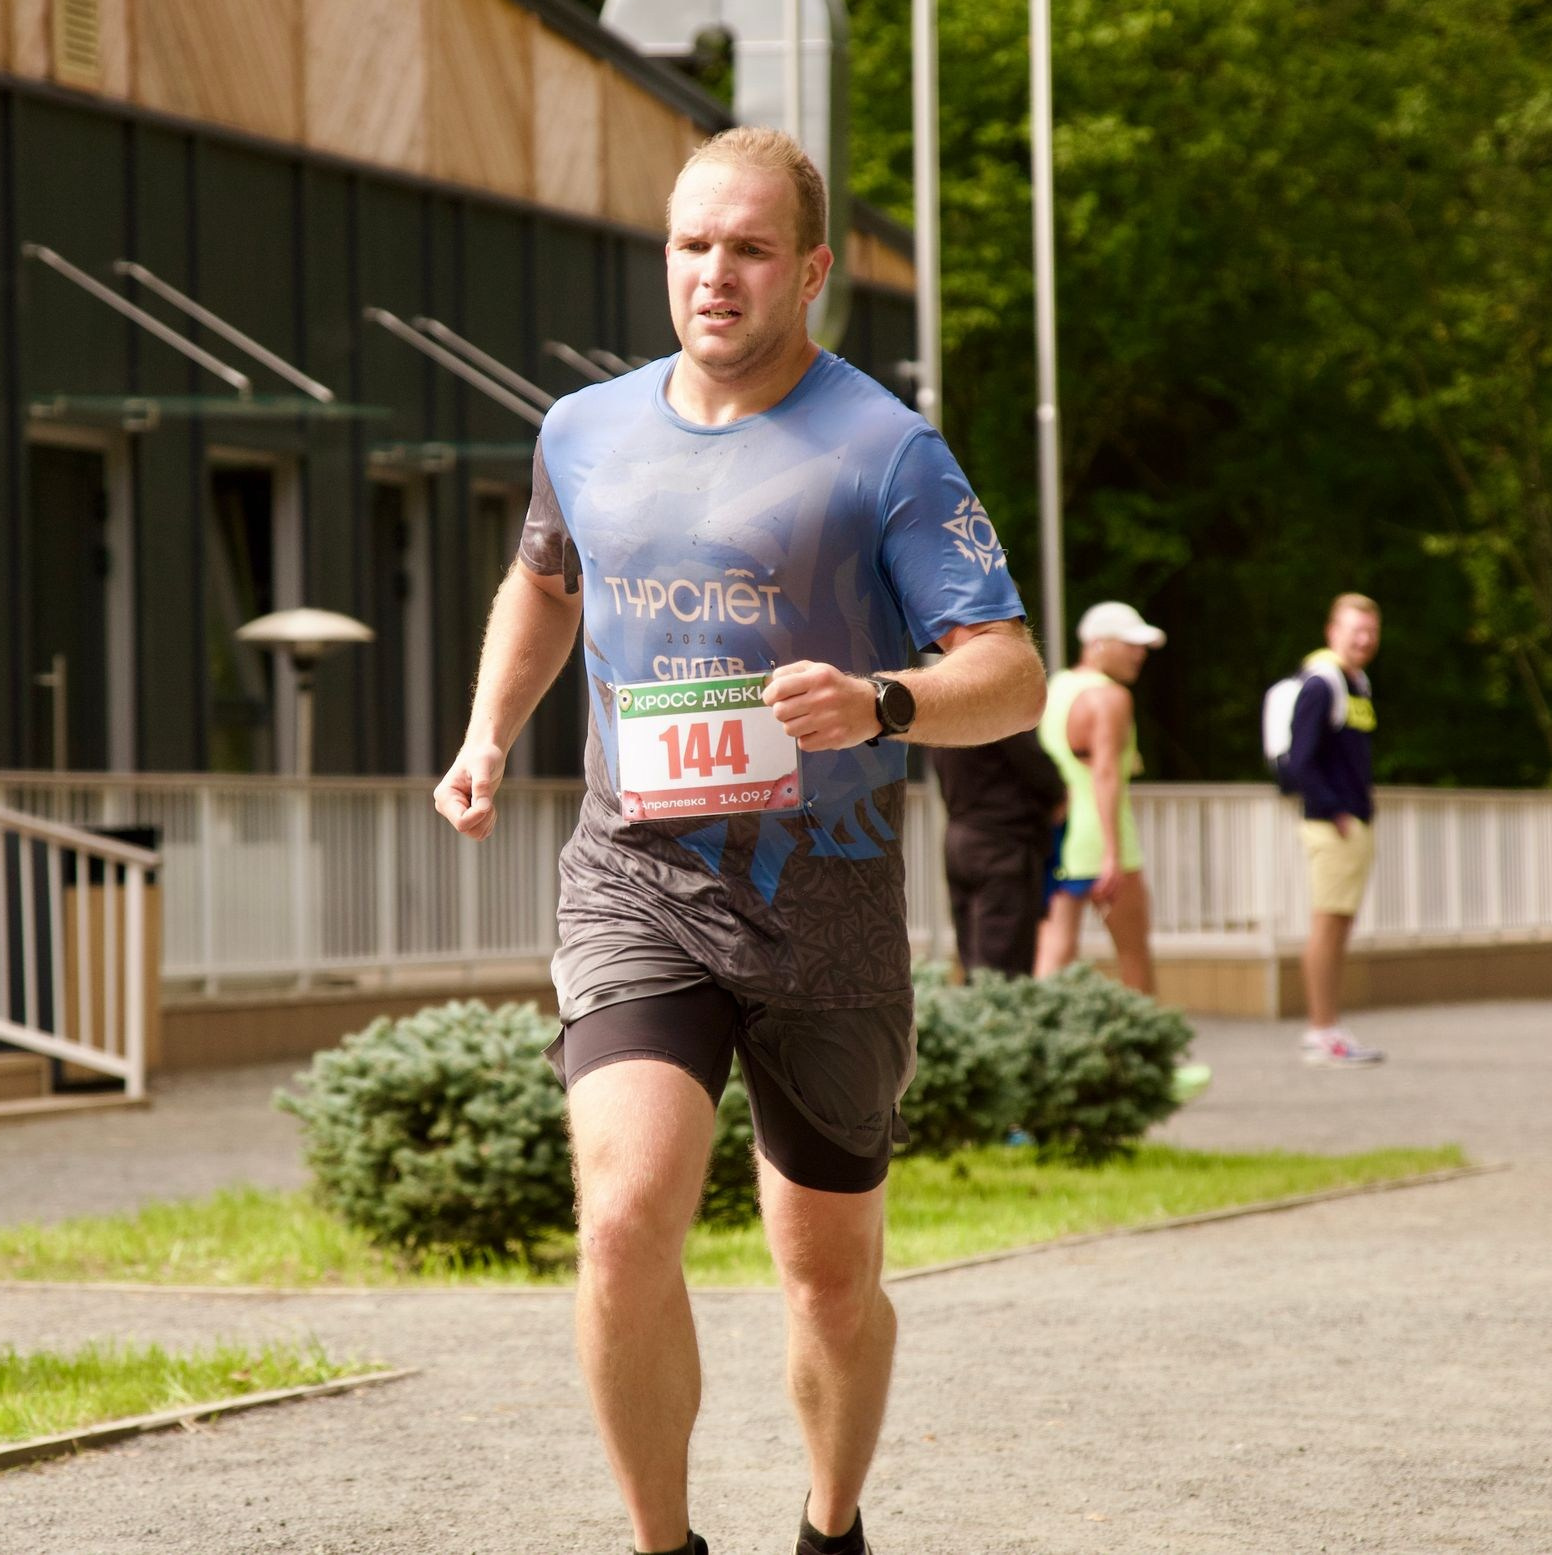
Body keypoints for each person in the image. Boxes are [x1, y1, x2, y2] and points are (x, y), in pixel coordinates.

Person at [433, 127, 1042, 1555]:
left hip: (822, 901)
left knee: (827, 1274)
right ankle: (665, 1545)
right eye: (693, 244)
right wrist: (486, 730)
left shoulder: (884, 448)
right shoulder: (582, 427)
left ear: (811, 270)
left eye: (751, 248)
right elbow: (545, 580)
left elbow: (1006, 668)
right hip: (636, 878)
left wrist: (880, 698)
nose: (716, 273)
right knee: (625, 1215)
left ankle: (833, 1524)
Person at [1032, 602, 1164, 995]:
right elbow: (1104, 773)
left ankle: (1033, 1050)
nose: (1140, 654)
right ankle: (1148, 1052)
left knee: (1054, 955)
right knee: (1134, 957)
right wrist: (1112, 853)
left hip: (1060, 840)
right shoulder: (1110, 697)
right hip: (1106, 841)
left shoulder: (1053, 689)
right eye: (1131, 644)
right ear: (1098, 644)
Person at [1286, 593, 1385, 1066]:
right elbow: (1299, 760)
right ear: (1332, 632)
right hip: (1332, 827)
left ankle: (1329, 1026)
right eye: (1354, 630)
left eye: (1370, 631)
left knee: (1338, 928)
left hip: (1350, 823)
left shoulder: (1356, 683)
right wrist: (1336, 811)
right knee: (1326, 929)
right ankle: (1320, 1031)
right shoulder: (1322, 684)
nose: (1363, 640)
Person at [932, 729, 1066, 978]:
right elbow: (1035, 764)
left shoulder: (944, 702)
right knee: (1002, 975)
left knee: (975, 965)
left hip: (961, 834)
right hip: (1002, 840)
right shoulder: (990, 702)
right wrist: (1058, 793)